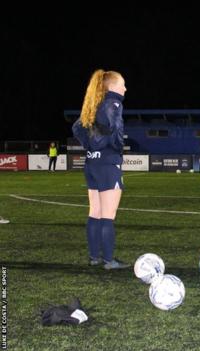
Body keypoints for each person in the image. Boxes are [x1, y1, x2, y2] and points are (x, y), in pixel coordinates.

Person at [72, 69, 129, 270]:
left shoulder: (93, 104)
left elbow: (77, 127)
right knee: (107, 215)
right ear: (112, 87)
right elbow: (112, 127)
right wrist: (113, 145)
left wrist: (90, 145)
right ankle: (109, 261)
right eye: (122, 84)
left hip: (92, 163)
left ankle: (95, 257)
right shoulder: (113, 102)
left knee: (94, 212)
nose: (125, 88)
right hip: (107, 162)